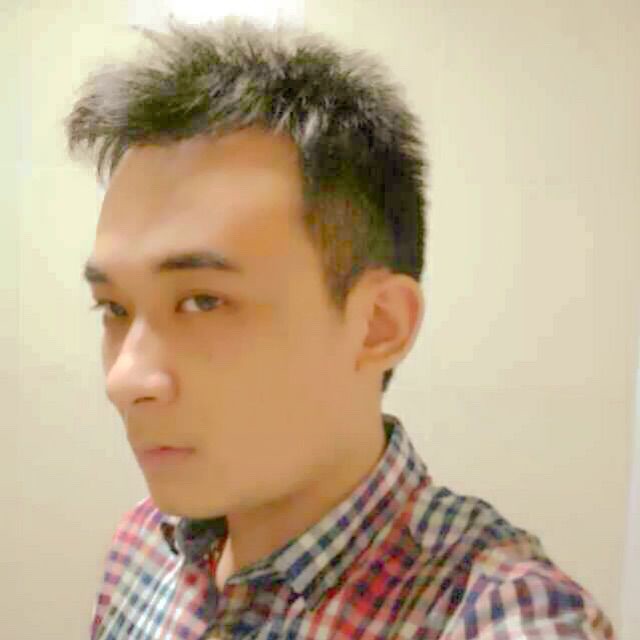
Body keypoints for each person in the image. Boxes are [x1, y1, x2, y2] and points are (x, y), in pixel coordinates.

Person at [65, 16, 615, 640]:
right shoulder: (143, 547)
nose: (124, 380)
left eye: (203, 301)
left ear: (378, 325)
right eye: (114, 309)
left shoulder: (505, 616)